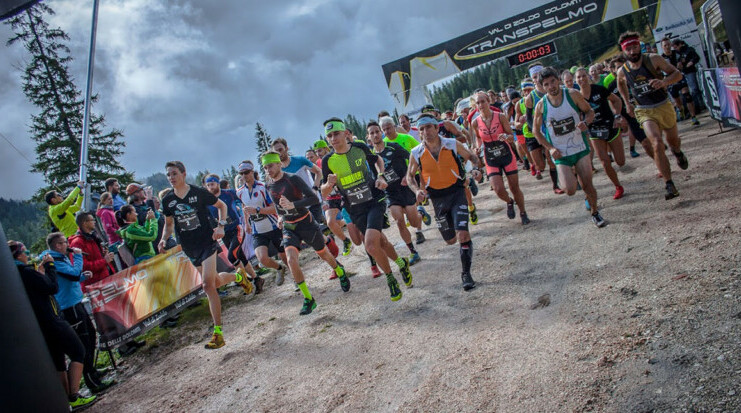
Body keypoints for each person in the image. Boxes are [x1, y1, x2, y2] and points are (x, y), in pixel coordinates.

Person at [158, 161, 254, 349]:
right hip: (189, 247)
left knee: (207, 285)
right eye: (168, 174)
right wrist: (163, 239)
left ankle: (218, 333)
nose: (171, 177)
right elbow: (169, 225)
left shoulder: (198, 192)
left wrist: (221, 226)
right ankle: (238, 276)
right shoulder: (168, 200)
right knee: (215, 282)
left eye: (174, 173)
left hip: (206, 242)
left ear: (183, 174)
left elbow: (222, 206)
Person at [321, 118, 411, 301]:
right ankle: (401, 263)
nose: (333, 138)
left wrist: (381, 176)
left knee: (370, 245)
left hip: (374, 201)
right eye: (329, 136)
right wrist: (328, 185)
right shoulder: (327, 160)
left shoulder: (359, 148)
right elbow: (323, 193)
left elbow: (378, 160)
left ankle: (390, 278)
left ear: (346, 133)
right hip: (355, 208)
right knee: (381, 242)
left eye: (336, 134)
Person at [9, 241, 98, 410]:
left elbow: (41, 287)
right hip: (52, 319)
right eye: (25, 252)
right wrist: (50, 266)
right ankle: (73, 395)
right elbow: (52, 287)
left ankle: (66, 400)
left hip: (40, 324)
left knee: (59, 361)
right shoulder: (26, 272)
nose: (27, 255)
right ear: (18, 255)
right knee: (78, 351)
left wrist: (41, 273)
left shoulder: (15, 275)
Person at [263, 151, 350, 315]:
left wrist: (293, 205)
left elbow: (314, 199)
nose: (268, 170)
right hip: (289, 227)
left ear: (279, 164)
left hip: (306, 223)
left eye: (271, 166)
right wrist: (280, 217)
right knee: (291, 260)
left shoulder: (293, 179)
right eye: (265, 168)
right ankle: (308, 298)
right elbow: (278, 206)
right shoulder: (269, 185)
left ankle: (339, 270)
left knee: (323, 254)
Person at [407, 114, 482, 290]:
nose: (425, 131)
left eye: (429, 127)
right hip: (437, 198)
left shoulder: (451, 144)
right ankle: (458, 240)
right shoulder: (416, 152)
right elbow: (409, 176)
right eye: (422, 129)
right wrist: (417, 190)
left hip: (456, 192)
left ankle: (466, 274)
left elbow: (472, 156)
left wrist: (476, 169)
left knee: (463, 234)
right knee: (450, 240)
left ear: (436, 128)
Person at [616, 32, 690, 200]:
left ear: (639, 46)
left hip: (663, 105)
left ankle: (677, 152)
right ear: (624, 51)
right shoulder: (623, 71)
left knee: (673, 141)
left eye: (635, 47)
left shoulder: (653, 59)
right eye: (628, 49)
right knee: (656, 143)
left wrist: (664, 82)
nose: (633, 51)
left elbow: (677, 74)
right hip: (644, 110)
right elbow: (620, 84)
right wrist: (627, 102)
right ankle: (669, 184)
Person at [532, 66, 606, 228]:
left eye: (553, 81)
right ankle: (572, 174)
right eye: (546, 84)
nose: (551, 86)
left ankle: (595, 213)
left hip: (579, 147)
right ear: (542, 87)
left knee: (587, 185)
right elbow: (535, 131)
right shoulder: (541, 106)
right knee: (570, 190)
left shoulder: (573, 94)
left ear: (558, 80)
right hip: (561, 153)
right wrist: (550, 148)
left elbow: (589, 111)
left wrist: (586, 122)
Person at [42, 232, 115, 393]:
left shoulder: (61, 258)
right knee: (83, 342)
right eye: (64, 243)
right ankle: (90, 380)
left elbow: (70, 278)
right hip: (69, 307)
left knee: (91, 335)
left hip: (76, 301)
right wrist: (78, 257)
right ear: (57, 246)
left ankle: (93, 370)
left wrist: (82, 277)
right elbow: (73, 273)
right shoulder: (54, 261)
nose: (67, 245)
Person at [367, 121, 424, 264]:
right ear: (369, 137)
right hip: (390, 193)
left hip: (405, 188)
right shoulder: (370, 156)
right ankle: (413, 252)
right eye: (372, 133)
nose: (375, 135)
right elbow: (373, 176)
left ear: (381, 133)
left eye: (377, 131)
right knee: (399, 221)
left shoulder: (393, 147)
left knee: (414, 222)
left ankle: (420, 214)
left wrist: (407, 175)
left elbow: (411, 158)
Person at [471, 92, 530, 225]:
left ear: (488, 102)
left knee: (514, 187)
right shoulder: (475, 122)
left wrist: (506, 137)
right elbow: (478, 138)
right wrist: (477, 148)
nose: (481, 105)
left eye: (483, 101)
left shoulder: (500, 116)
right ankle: (509, 201)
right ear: (475, 106)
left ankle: (523, 212)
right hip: (491, 157)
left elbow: (511, 136)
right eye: (478, 103)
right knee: (498, 189)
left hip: (506, 154)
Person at [574, 67, 626, 200]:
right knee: (604, 162)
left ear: (588, 77)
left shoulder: (599, 89)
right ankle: (618, 186)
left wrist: (617, 116)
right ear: (576, 80)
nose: (581, 79)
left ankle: (613, 151)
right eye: (578, 77)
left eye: (584, 76)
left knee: (620, 162)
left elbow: (617, 100)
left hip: (610, 126)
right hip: (594, 131)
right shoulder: (576, 97)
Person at [236, 160, 287, 292]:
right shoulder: (240, 192)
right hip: (257, 229)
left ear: (252, 172)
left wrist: (258, 210)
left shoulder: (263, 187)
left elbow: (275, 208)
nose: (244, 175)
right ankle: (279, 268)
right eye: (241, 173)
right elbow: (244, 207)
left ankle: (297, 281)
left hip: (273, 226)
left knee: (285, 256)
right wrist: (247, 223)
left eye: (247, 172)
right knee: (262, 259)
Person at [203, 173, 259, 288]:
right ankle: (256, 279)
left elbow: (244, 199)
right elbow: (209, 218)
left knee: (231, 256)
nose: (210, 187)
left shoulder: (229, 193)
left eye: (212, 184)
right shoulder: (208, 201)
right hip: (224, 233)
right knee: (240, 256)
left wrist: (247, 217)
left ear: (218, 184)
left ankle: (244, 280)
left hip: (236, 228)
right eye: (208, 185)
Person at [520, 68, 564, 194]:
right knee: (541, 165)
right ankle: (539, 167)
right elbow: (529, 117)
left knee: (553, 158)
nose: (536, 79)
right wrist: (536, 130)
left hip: (554, 129)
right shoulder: (530, 97)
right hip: (538, 132)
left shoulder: (555, 91)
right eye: (534, 77)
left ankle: (557, 185)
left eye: (537, 76)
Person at [312, 140, 353, 258]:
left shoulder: (334, 156)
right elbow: (320, 183)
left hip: (343, 193)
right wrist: (323, 199)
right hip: (330, 196)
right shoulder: (317, 165)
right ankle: (346, 241)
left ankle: (349, 223)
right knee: (330, 222)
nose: (318, 153)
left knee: (345, 221)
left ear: (326, 148)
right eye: (316, 152)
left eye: (320, 150)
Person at [69, 211, 116, 285]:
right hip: (95, 283)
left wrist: (104, 254)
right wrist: (104, 261)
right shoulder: (77, 243)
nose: (94, 222)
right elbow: (83, 266)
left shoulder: (92, 237)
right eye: (92, 220)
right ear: (85, 223)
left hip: (106, 277)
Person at [661, 38, 700, 125]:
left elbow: (685, 61)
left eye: (668, 44)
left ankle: (693, 117)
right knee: (678, 102)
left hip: (679, 77)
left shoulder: (677, 53)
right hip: (670, 81)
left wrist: (683, 64)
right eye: (665, 45)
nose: (667, 47)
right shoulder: (661, 58)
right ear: (662, 47)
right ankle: (680, 109)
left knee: (687, 96)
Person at [671, 38, 703, 120]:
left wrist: (691, 62)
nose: (675, 49)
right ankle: (688, 110)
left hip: (690, 71)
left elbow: (696, 57)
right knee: (684, 93)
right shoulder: (675, 53)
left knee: (694, 89)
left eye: (676, 47)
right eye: (674, 47)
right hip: (681, 73)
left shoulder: (689, 49)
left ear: (680, 44)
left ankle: (698, 106)